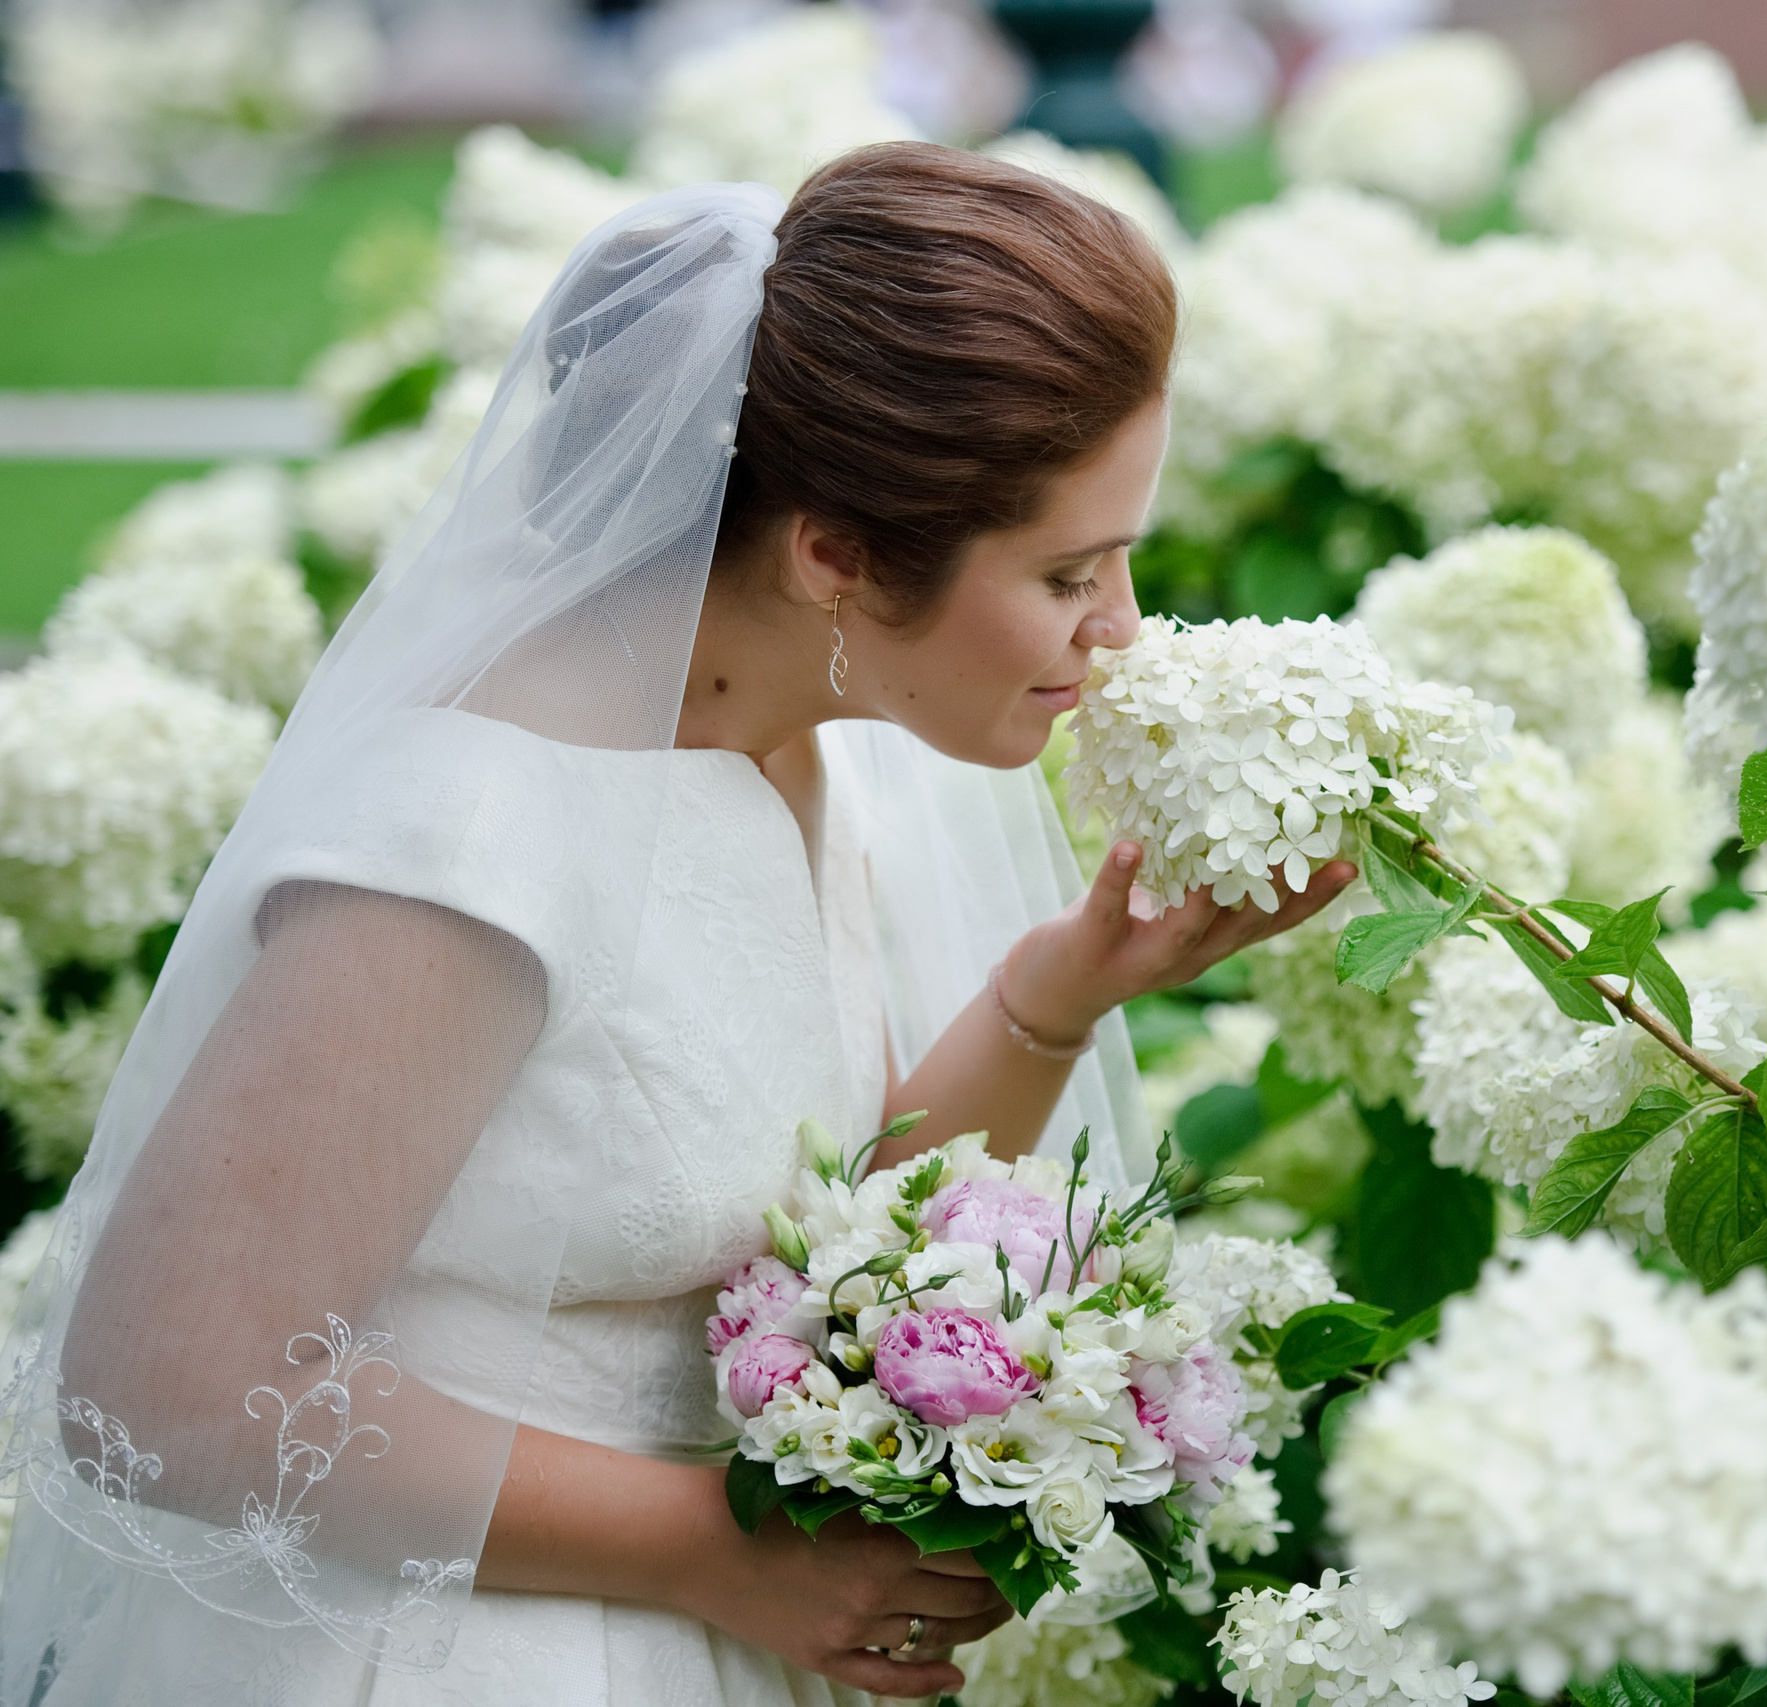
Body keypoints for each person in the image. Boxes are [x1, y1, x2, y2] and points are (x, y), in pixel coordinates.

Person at [0, 144, 1353, 1705]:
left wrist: (1056, 995)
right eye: (1067, 571)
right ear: (833, 555)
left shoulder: (812, 735)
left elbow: (807, 1249)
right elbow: (170, 1387)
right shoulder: (477, 835)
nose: (1120, 631)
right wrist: (713, 1549)